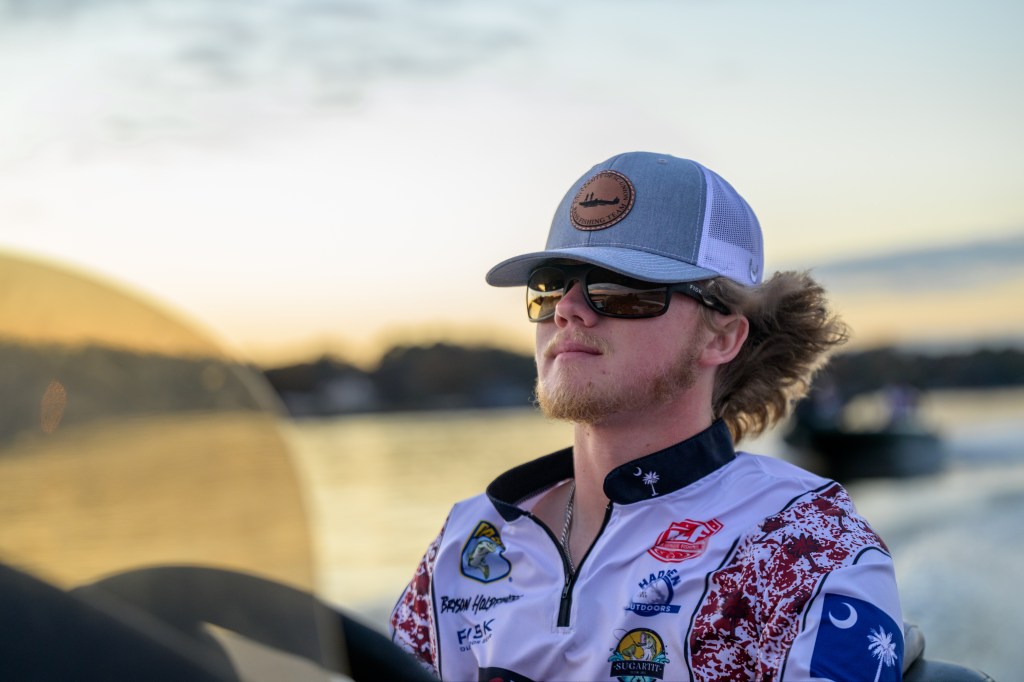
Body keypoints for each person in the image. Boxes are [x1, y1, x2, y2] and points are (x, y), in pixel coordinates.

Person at [389, 152, 904, 681]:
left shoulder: (801, 545)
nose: (567, 308)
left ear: (722, 336)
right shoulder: (467, 540)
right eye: (550, 285)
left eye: (618, 288)